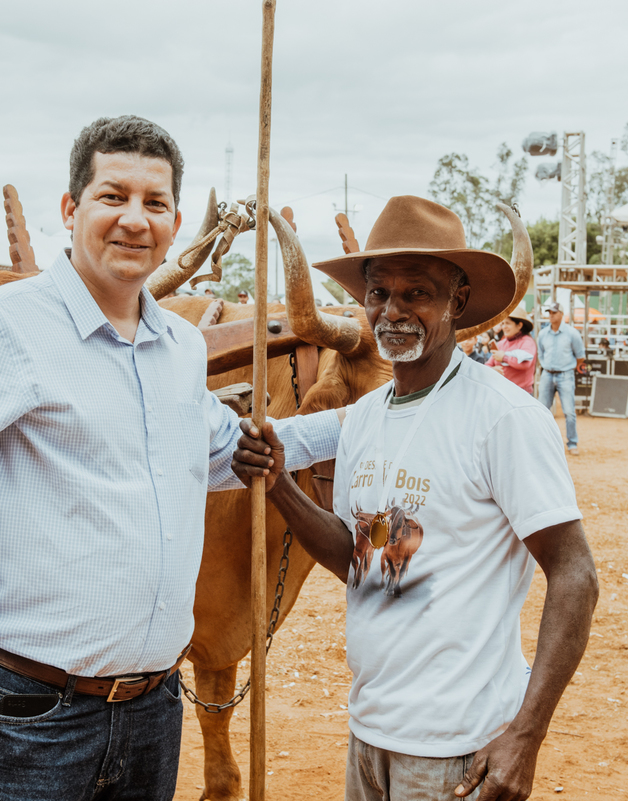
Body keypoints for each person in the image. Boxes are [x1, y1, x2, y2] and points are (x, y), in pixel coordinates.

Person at [0, 115, 343, 801]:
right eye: (113, 196)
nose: (135, 219)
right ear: (70, 208)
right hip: (30, 715)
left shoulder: (180, 348)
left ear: (175, 222)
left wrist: (368, 419)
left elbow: (227, 450)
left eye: (154, 202)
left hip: (154, 711)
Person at [231, 195, 598, 801]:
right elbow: (365, 560)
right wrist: (280, 485)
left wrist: (525, 736)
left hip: (459, 745)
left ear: (458, 301)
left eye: (417, 293)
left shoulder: (503, 417)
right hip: (369, 730)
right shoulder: (364, 418)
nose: (393, 311)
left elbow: (575, 573)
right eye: (379, 293)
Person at [536, 302, 586, 454]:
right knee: (541, 410)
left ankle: (572, 443)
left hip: (565, 374)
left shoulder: (572, 333)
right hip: (548, 373)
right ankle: (542, 442)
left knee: (569, 411)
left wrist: (569, 367)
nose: (551, 315)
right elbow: (540, 353)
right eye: (549, 312)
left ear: (561, 314)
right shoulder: (543, 334)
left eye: (554, 312)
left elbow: (580, 356)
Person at [488, 302, 537, 395]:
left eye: (508, 323)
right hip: (502, 392)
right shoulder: (501, 343)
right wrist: (492, 370)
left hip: (522, 393)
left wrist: (504, 358)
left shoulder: (527, 342)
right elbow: (488, 364)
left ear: (519, 325)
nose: (504, 327)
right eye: (502, 323)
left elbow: (525, 364)